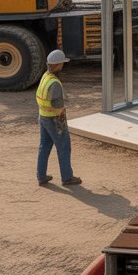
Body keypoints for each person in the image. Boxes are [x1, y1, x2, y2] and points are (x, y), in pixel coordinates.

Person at [36, 49, 82, 188]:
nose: (63, 65)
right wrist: (62, 111)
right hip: (55, 120)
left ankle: (41, 176)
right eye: (62, 63)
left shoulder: (45, 77)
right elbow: (57, 105)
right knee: (64, 147)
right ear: (58, 65)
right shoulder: (54, 83)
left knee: (44, 146)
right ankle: (67, 178)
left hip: (43, 117)